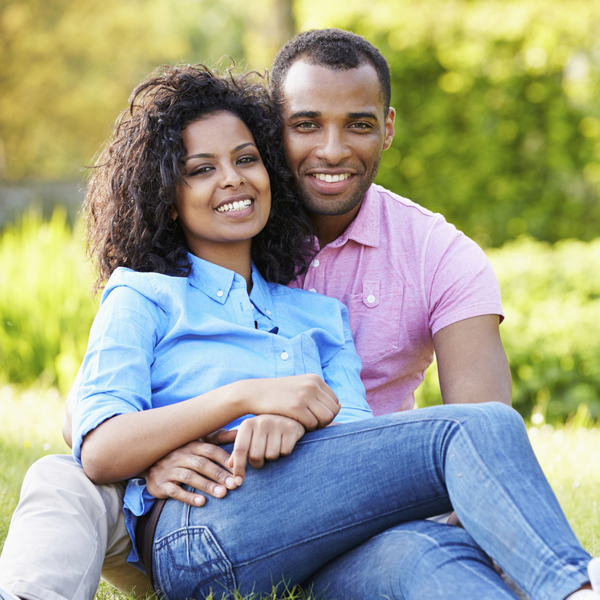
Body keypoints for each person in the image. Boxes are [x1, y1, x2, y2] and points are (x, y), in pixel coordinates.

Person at [0, 31, 598, 600]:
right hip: (203, 527)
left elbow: (355, 445)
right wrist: (245, 400)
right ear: (167, 194)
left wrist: (296, 425)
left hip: (326, 540)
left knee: (429, 558)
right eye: (201, 169)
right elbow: (97, 439)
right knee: (479, 425)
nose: (231, 179)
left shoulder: (318, 313)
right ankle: (576, 587)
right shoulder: (145, 294)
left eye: (244, 160)